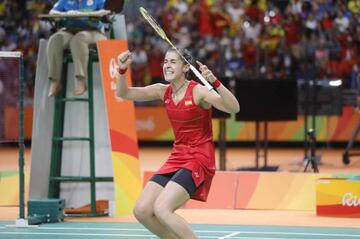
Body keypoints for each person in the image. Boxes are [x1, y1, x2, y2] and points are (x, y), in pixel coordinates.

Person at [116, 48, 240, 239]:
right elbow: (124, 93)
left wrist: (214, 82)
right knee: (141, 211)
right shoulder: (162, 91)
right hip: (178, 156)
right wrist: (122, 70)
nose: (167, 65)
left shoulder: (198, 92)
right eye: (165, 61)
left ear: (185, 67)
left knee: (162, 208)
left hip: (199, 158)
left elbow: (233, 107)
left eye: (173, 62)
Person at [47, 0, 108, 97]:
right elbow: (52, 12)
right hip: (70, 30)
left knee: (78, 40)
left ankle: (81, 81)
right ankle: (55, 81)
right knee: (55, 40)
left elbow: (106, 13)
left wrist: (81, 14)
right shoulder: (65, 1)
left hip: (93, 32)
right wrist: (66, 14)